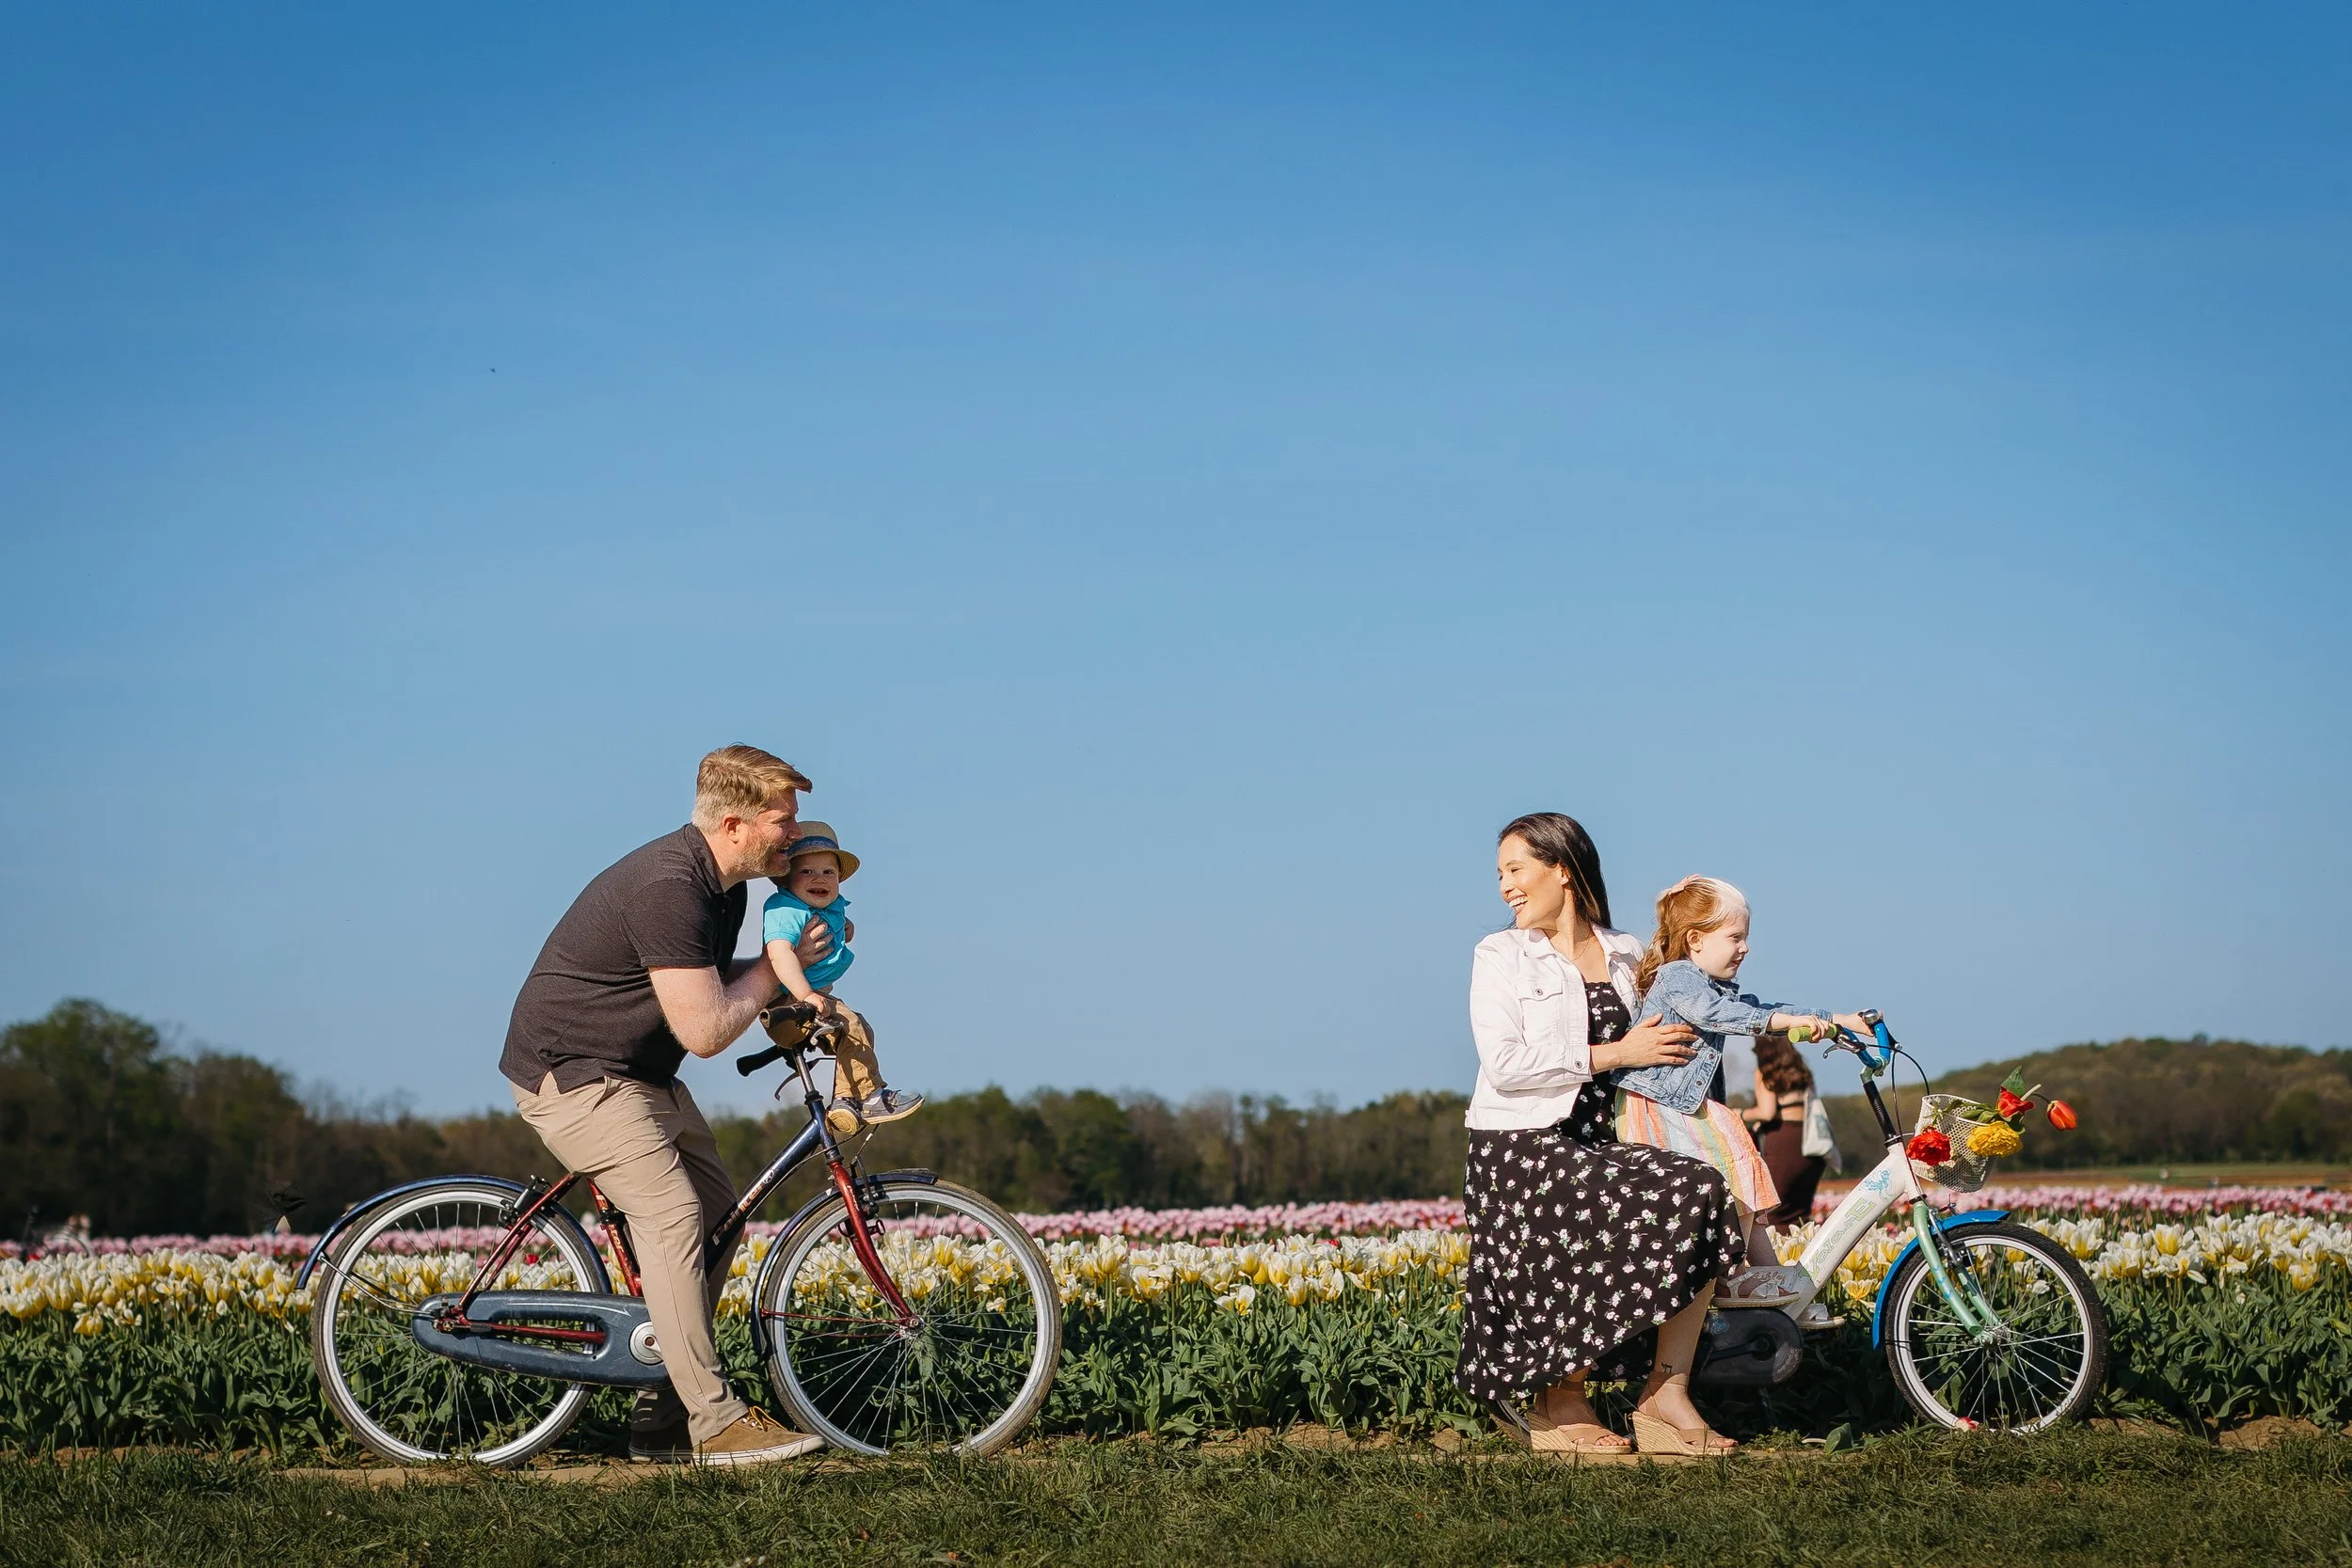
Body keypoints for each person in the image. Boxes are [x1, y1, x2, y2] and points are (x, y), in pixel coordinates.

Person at [498, 744, 836, 1467]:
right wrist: (776, 973)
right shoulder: (671, 887)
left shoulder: (726, 888)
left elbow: (716, 994)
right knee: (675, 1216)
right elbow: (708, 1028)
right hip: (576, 1075)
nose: (796, 834)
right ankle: (717, 1421)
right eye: (785, 819)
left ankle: (661, 1412)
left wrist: (789, 988)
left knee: (721, 1214)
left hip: (638, 1072)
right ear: (738, 823)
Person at [1457, 813, 1749, 1459]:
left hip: (1604, 1136)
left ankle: (1665, 1397)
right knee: (1598, 1211)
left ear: (1562, 869)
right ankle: (1560, 1399)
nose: (1505, 885)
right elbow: (1505, 1064)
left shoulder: (1626, 951)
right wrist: (1614, 1053)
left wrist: (1684, 908)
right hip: (1522, 1147)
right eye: (1500, 872)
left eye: (1515, 868)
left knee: (1701, 1189)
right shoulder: (1500, 954)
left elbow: (1688, 1005)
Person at [1611, 875, 1867, 1307]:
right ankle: (1734, 1274)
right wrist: (1785, 1026)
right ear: (1695, 940)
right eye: (1735, 937)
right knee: (1735, 1148)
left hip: (1680, 1105)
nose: (1745, 947)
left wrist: (1838, 1019)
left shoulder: (1709, 983)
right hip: (1656, 1103)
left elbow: (1762, 1008)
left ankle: (1762, 1272)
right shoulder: (1678, 977)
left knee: (1738, 1165)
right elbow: (1715, 1014)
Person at [760, 821, 923, 1134]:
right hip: (788, 1005)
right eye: (806, 872)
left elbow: (833, 917)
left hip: (806, 1002)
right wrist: (806, 995)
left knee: (859, 1031)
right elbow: (780, 954)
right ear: (786, 878)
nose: (819, 878)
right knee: (852, 1024)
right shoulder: (786, 909)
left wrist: (846, 926)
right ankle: (869, 1096)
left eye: (828, 873)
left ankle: (847, 1101)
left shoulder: (825, 907)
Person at [1740, 1032, 1831, 1227]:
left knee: (1774, 1211)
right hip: (1811, 1140)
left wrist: (1739, 1114)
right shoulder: (1802, 1070)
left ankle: (1779, 1257)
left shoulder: (1765, 1070)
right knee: (1800, 1214)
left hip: (1783, 1140)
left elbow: (1767, 1112)